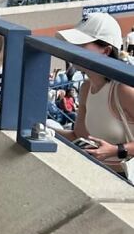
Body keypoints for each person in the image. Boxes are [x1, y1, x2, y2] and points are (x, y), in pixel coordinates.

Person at [57, 13, 134, 179]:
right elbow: (79, 136)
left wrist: (116, 150)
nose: (72, 49)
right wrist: (42, 128)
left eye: (81, 44)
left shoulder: (123, 89)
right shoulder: (86, 88)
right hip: (99, 175)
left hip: (124, 181)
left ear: (105, 50)